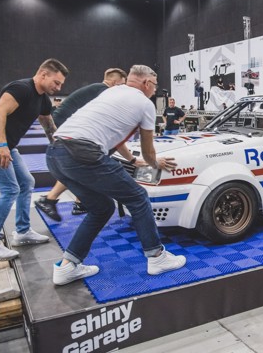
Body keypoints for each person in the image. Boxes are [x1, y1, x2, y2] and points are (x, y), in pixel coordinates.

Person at [45, 64, 186, 285]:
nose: (155, 90)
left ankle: (67, 266)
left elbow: (114, 134)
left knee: (102, 208)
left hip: (55, 153)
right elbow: (148, 151)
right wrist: (155, 163)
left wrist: (132, 160)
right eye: (155, 85)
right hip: (83, 153)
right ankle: (157, 257)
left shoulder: (112, 93)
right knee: (138, 197)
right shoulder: (145, 104)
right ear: (146, 83)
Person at [0, 58, 68, 261]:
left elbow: (48, 124)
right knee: (10, 189)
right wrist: (0, 145)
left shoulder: (43, 100)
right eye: (56, 82)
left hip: (6, 144)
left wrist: (57, 145)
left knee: (26, 182)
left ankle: (23, 231)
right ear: (43, 74)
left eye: (61, 84)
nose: (58, 88)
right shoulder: (21, 88)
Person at [35, 68, 127, 220]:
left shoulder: (95, 89)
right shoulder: (104, 91)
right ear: (114, 82)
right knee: (82, 164)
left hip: (64, 127)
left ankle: (77, 202)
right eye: (122, 85)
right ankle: (51, 199)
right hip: (65, 129)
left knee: (82, 165)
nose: (123, 89)